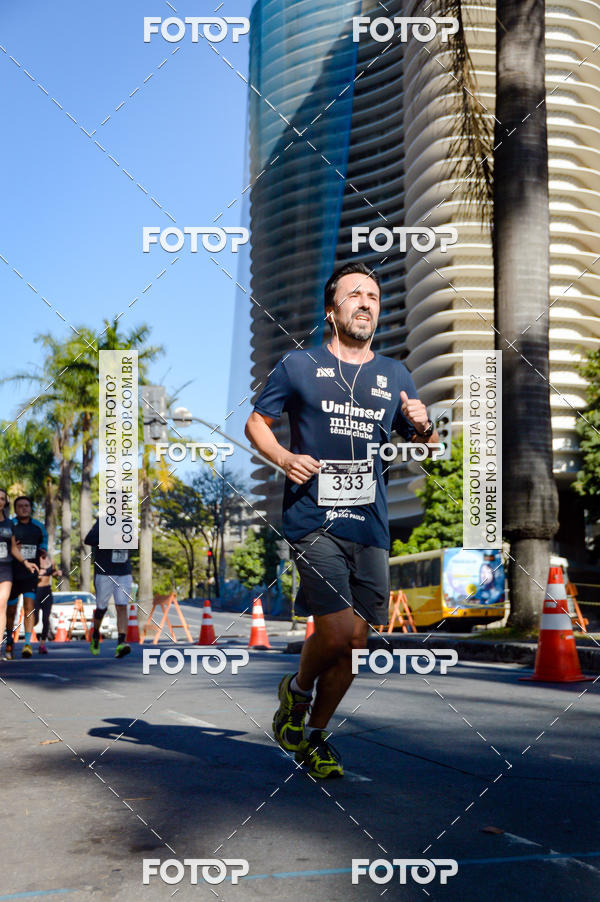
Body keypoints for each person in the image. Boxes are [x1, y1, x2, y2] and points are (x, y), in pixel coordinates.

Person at [245, 262, 439, 779]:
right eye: (355, 294)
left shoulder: (394, 374)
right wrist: (284, 458)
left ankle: (313, 735)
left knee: (357, 643)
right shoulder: (297, 366)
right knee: (333, 635)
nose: (366, 302)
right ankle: (297, 691)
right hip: (313, 517)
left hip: (370, 525)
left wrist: (423, 425)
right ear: (332, 310)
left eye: (374, 296)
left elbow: (429, 443)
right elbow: (255, 423)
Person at [84, 518, 132, 658]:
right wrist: (111, 538)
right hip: (105, 571)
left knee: (122, 606)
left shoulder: (128, 521)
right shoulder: (103, 521)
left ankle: (121, 642)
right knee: (101, 608)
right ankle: (96, 634)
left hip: (123, 570)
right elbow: (88, 539)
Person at [0, 489, 40, 659]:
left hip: (16, 571)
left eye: (2, 498)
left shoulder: (14, 525)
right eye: (20, 506)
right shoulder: (12, 524)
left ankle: (23, 644)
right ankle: (8, 642)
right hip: (9, 571)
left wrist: (27, 561)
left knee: (13, 607)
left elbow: (14, 548)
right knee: (7, 610)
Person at [34, 549, 62, 654]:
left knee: (46, 619)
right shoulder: (35, 561)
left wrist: (57, 573)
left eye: (45, 549)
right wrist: (42, 573)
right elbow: (35, 576)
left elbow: (54, 572)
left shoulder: (51, 561)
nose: (44, 551)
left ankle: (42, 644)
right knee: (35, 619)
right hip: (37, 591)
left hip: (47, 591)